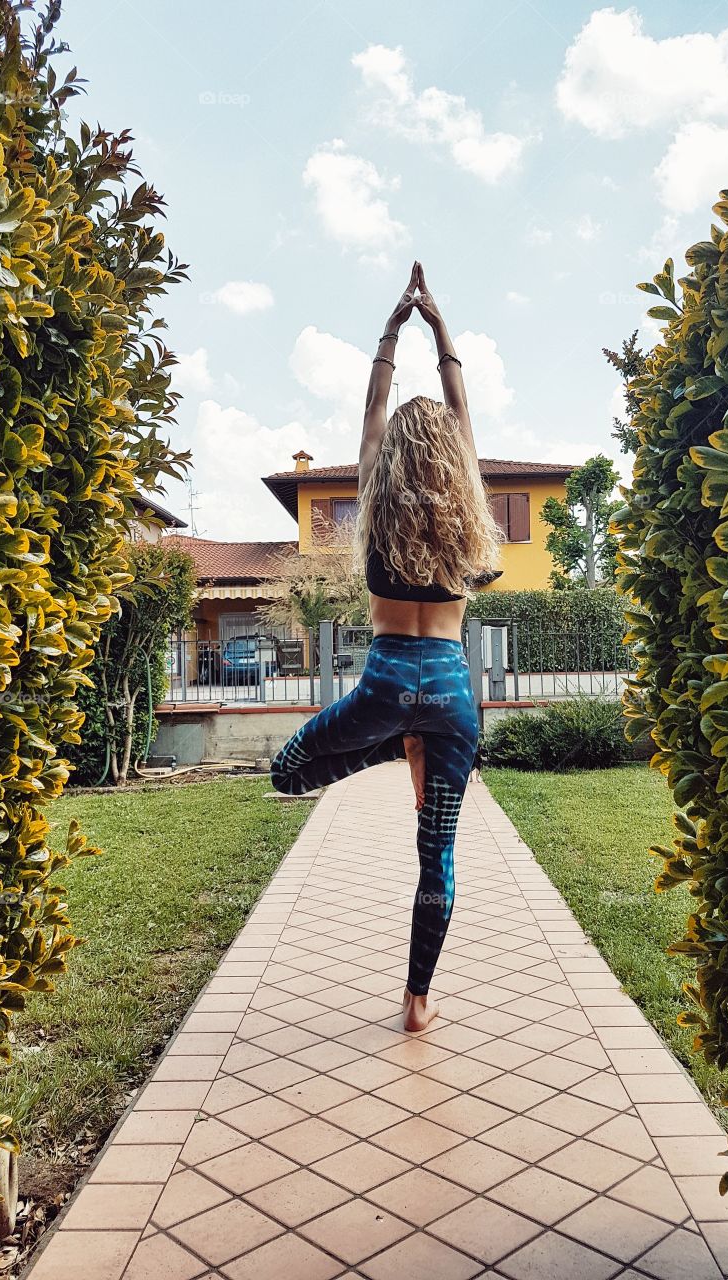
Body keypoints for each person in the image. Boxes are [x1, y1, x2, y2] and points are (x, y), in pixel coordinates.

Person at [271, 260, 503, 1032]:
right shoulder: (465, 513)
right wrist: (441, 330)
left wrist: (391, 331)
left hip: (382, 687)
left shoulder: (375, 499)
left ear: (394, 460)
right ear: (451, 465)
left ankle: (383, 744)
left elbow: (374, 408)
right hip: (451, 699)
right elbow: (463, 419)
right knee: (435, 855)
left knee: (288, 773)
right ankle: (417, 1003)